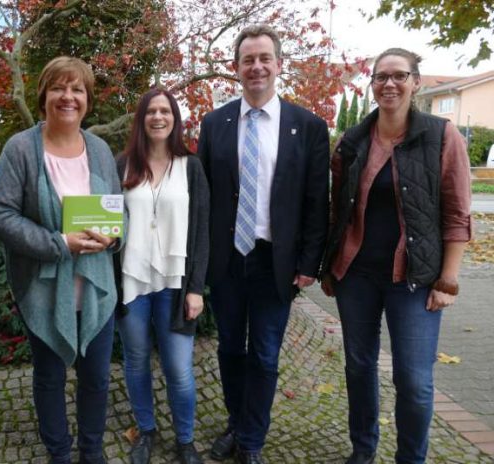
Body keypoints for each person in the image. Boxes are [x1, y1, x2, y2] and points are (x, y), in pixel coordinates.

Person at [321, 48, 472, 464]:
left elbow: (458, 214)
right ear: (371, 84)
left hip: (415, 278)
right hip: (357, 276)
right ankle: (363, 449)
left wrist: (449, 279)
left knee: (415, 380)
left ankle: (411, 458)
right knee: (358, 367)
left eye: (399, 75)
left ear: (416, 82)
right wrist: (328, 268)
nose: (389, 83)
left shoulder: (442, 137)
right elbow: (338, 209)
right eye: (380, 76)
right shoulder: (352, 141)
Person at [198, 24, 330, 464]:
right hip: (228, 260)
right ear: (236, 69)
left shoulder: (307, 126)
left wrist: (311, 261)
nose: (256, 67)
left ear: (278, 64)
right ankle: (237, 423)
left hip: (276, 261)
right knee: (230, 349)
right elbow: (205, 197)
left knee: (266, 355)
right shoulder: (214, 123)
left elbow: (317, 200)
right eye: (247, 60)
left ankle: (252, 439)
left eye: (263, 58)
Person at [0, 56, 120, 464]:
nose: (68, 97)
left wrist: (112, 237)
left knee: (96, 378)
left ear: (87, 99)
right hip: (44, 287)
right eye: (59, 88)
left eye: (77, 89)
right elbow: (0, 214)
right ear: (44, 95)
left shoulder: (98, 149)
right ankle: (59, 452)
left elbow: (118, 210)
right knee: (49, 376)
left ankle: (92, 450)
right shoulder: (21, 149)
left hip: (96, 287)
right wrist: (60, 242)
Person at [115, 88, 209, 464]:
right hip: (132, 281)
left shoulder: (192, 166)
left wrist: (197, 288)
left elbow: (202, 230)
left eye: (164, 111)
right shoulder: (121, 164)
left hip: (175, 283)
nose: (157, 117)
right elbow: (106, 218)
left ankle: (185, 439)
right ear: (141, 119)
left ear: (174, 119)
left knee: (179, 369)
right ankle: (146, 431)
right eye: (151, 111)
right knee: (136, 362)